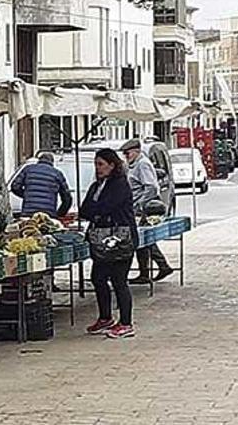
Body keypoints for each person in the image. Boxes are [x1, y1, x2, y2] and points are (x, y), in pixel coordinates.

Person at [80, 148, 138, 339]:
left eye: (101, 164)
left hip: (120, 238)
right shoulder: (97, 186)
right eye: (96, 165)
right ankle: (105, 317)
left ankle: (126, 322)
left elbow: (106, 207)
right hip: (100, 240)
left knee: (119, 280)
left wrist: (97, 211)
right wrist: (95, 211)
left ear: (112, 165)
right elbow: (85, 209)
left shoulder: (119, 185)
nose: (98, 169)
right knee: (98, 277)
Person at [120, 138, 174, 284]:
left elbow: (151, 187)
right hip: (135, 207)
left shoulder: (143, 164)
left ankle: (161, 265)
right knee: (141, 239)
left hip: (143, 209)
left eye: (128, 153)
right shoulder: (132, 165)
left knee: (143, 238)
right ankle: (147, 271)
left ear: (136, 151)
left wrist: (138, 203)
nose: (126, 156)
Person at [10, 151, 72, 218]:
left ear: (39, 160)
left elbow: (15, 186)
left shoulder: (28, 169)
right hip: (48, 214)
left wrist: (27, 195)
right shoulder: (57, 174)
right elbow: (67, 198)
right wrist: (60, 214)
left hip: (28, 213)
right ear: (52, 162)